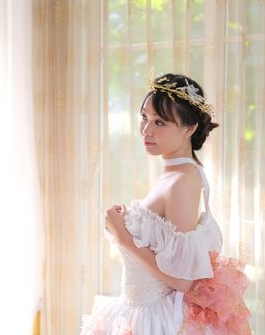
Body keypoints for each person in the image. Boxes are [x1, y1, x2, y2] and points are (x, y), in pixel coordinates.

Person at [80, 73, 251, 334]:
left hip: (154, 318)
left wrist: (123, 235)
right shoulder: (174, 173)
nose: (146, 130)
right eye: (144, 118)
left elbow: (182, 280)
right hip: (139, 309)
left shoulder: (183, 181)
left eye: (159, 122)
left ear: (189, 128)